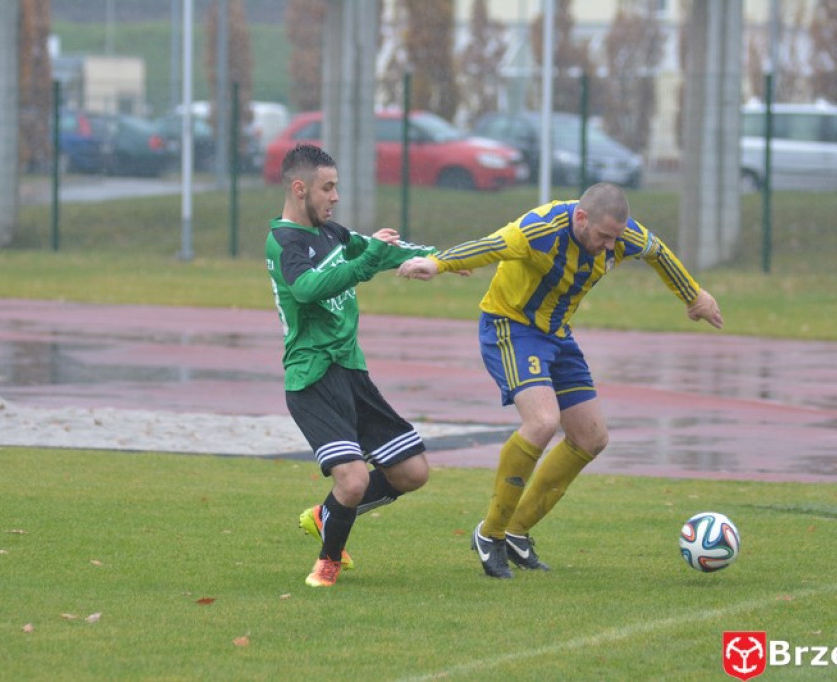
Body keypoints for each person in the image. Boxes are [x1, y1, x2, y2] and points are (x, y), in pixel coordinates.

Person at [398, 182, 724, 579]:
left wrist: (694, 295)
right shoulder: (540, 229)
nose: (609, 246)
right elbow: (490, 245)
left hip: (557, 334)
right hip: (510, 326)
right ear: (581, 218)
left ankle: (517, 531)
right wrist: (437, 263)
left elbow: (658, 252)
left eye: (615, 238)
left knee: (591, 437)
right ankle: (491, 533)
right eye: (603, 237)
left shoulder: (620, 235)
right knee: (541, 423)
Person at [265, 144, 439, 588]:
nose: (335, 197)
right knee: (355, 479)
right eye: (328, 188)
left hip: (351, 372)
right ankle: (327, 565)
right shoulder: (284, 241)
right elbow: (307, 288)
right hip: (312, 378)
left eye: (336, 187)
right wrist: (365, 263)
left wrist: (439, 261)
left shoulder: (333, 234)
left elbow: (379, 251)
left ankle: (328, 515)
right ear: (299, 188)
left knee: (412, 472)